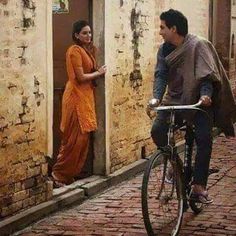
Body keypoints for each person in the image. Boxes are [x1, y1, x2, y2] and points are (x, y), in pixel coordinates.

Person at [148, 9, 236, 204]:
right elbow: (161, 75)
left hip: (198, 101)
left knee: (204, 138)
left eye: (162, 27)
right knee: (157, 130)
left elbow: (206, 75)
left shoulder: (198, 45)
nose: (160, 32)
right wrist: (156, 98)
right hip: (174, 100)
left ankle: (199, 186)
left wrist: (205, 95)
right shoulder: (164, 50)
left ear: (174, 28)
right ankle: (175, 164)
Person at [51, 20, 107, 187]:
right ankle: (58, 175)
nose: (88, 36)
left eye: (89, 32)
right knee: (73, 140)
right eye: (84, 33)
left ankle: (68, 176)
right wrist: (99, 73)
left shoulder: (86, 50)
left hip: (85, 97)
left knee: (82, 140)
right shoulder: (74, 51)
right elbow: (80, 77)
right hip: (75, 97)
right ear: (76, 35)